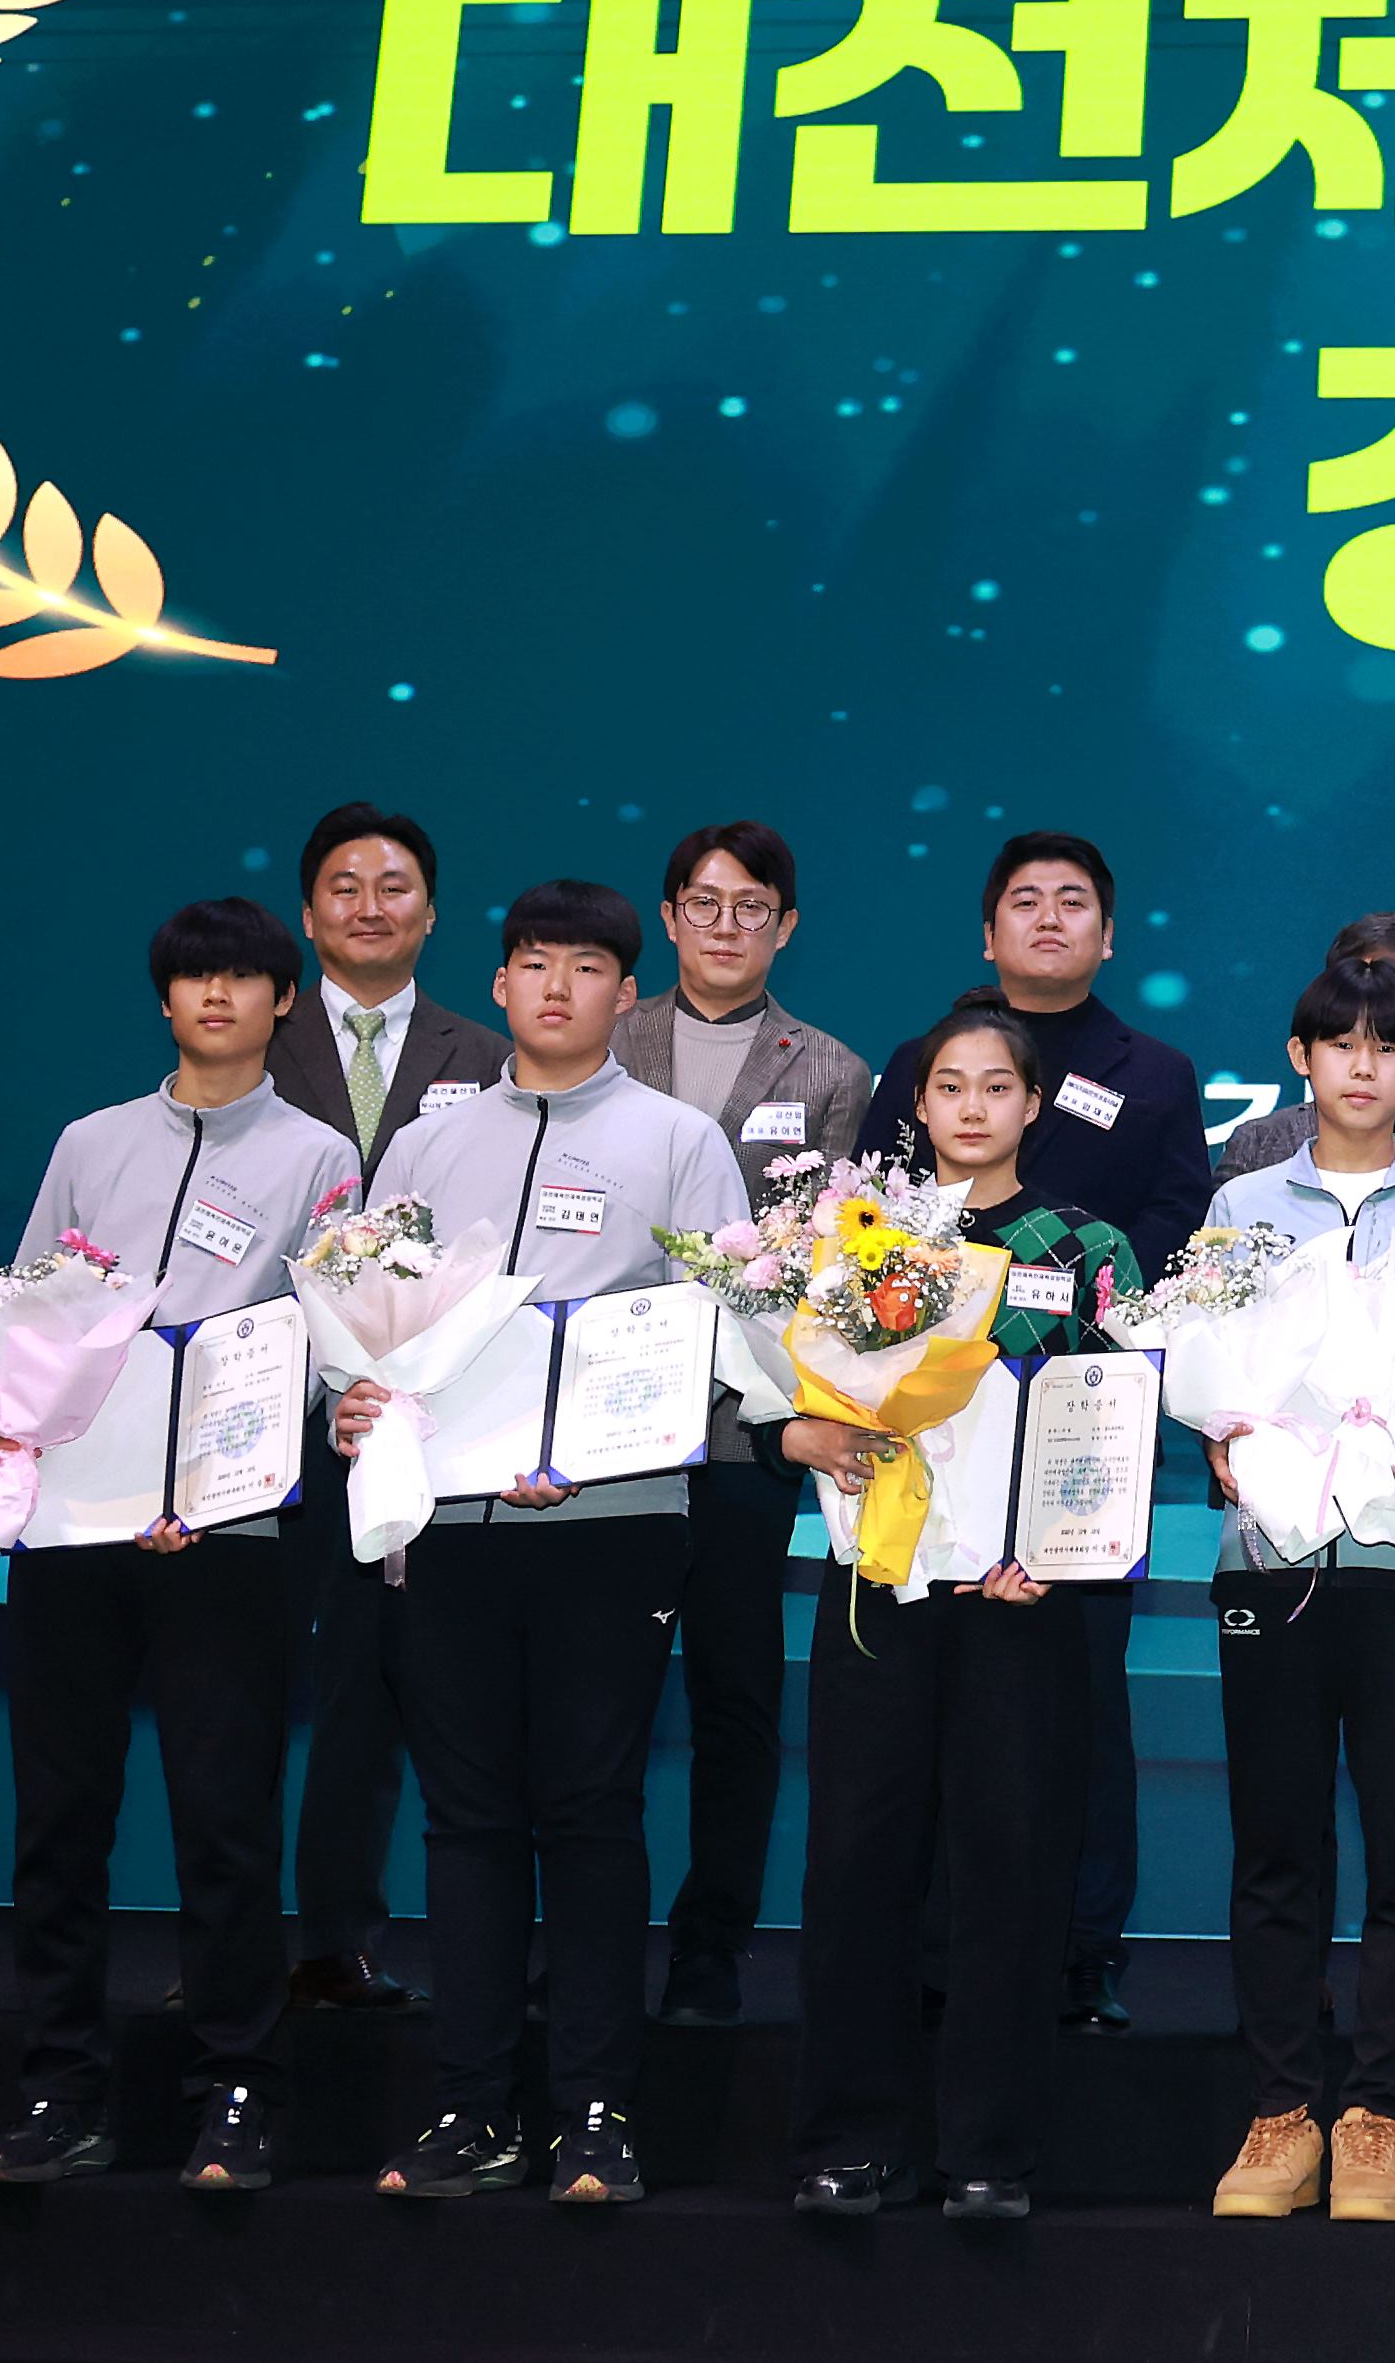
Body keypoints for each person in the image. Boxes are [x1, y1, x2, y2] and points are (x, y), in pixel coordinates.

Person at [336, 882, 750, 2204]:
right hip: (447, 1530)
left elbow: (721, 1336)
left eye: (584, 968)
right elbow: (368, 1318)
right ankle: (472, 2111)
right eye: (533, 963)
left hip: (610, 1527)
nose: (556, 987)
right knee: (464, 1821)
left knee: (588, 1812)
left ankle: (594, 2114)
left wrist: (601, 1439)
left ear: (626, 994)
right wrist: (351, 1398)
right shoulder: (423, 1147)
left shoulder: (681, 1141)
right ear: (499, 985)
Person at [0, 899, 355, 2193]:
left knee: (225, 1818)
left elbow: (322, 1347)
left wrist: (225, 1474)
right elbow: (27, 1315)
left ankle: (237, 2089)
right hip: (76, 1525)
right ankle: (60, 2089)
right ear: (165, 999)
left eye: (243, 978)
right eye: (194, 978)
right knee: (59, 1818)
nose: (217, 997)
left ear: (284, 1000)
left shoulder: (317, 1157)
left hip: (226, 1533)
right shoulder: (91, 1142)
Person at [780, 998, 1139, 2221]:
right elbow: (784, 1403)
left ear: (1033, 1105)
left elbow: (1113, 1423)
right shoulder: (856, 1240)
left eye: (996, 1087)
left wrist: (1056, 1553)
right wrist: (797, 1433)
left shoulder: (1085, 1244)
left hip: (1019, 1602)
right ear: (917, 1104)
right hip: (879, 1586)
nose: (972, 1107)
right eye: (949, 1086)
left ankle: (989, 2149)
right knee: (856, 1862)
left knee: (1011, 1868)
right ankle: (850, 2139)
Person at [856, 831, 1215, 2035]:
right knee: (924, 1732)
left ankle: (1080, 1947)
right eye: (1024, 900)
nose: (1048, 918)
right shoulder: (919, 1054)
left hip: (1072, 1454)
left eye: (1073, 903)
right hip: (923, 1468)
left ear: (1107, 936)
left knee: (1080, 1721)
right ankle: (929, 1949)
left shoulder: (1154, 1072)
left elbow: (1172, 1229)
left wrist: (1073, 1321)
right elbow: (867, 1232)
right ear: (987, 930)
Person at [1197, 960, 1395, 2227]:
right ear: (1300, 1057)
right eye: (1341, 1044)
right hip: (1268, 1557)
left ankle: (1377, 2111)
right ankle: (1280, 2109)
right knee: (1277, 1842)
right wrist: (1218, 1438)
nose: (1364, 1066)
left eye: (1390, 1046)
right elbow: (1210, 1360)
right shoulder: (1240, 1198)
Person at [607, 819, 873, 2030]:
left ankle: (710, 1946)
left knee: (734, 1699)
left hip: (744, 1437)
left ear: (787, 925)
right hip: (606, 1429)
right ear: (669, 918)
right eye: (704, 904)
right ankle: (593, 1945)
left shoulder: (830, 1071)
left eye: (751, 906)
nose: (726, 926)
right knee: (599, 1707)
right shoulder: (604, 1040)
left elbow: (833, 1263)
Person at [265, 804, 506, 2019]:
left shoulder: (490, 1055)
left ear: (432, 912)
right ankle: (226, 1948)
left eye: (395, 885)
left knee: (374, 1687)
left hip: (419, 1419)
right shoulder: (251, 1037)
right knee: (238, 1692)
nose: (371, 905)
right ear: (309, 915)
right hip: (263, 1417)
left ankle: (339, 1938)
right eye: (346, 886)